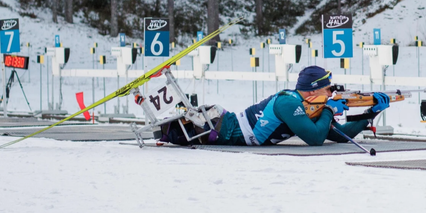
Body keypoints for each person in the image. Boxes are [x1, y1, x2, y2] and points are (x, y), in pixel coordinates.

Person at [160, 65, 390, 146]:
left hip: (226, 126)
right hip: (222, 129)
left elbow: (340, 136)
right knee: (178, 129)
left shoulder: (308, 105)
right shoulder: (289, 103)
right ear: (313, 90)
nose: (331, 93)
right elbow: (315, 138)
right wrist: (330, 110)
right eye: (328, 89)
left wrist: (370, 114)